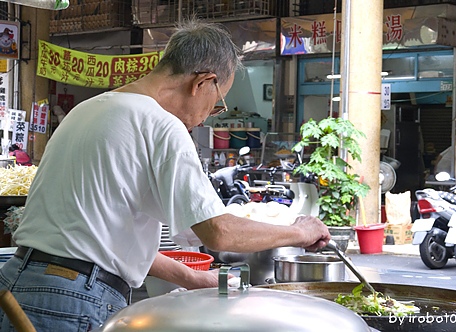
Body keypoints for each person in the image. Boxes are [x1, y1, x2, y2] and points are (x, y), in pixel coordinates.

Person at [0, 20, 330, 331]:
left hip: (18, 285)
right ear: (202, 83)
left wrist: (195, 279)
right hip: (71, 300)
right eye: (216, 104)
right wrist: (298, 232)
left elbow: (98, 244)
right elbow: (219, 232)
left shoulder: (89, 110)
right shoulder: (161, 124)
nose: (204, 120)